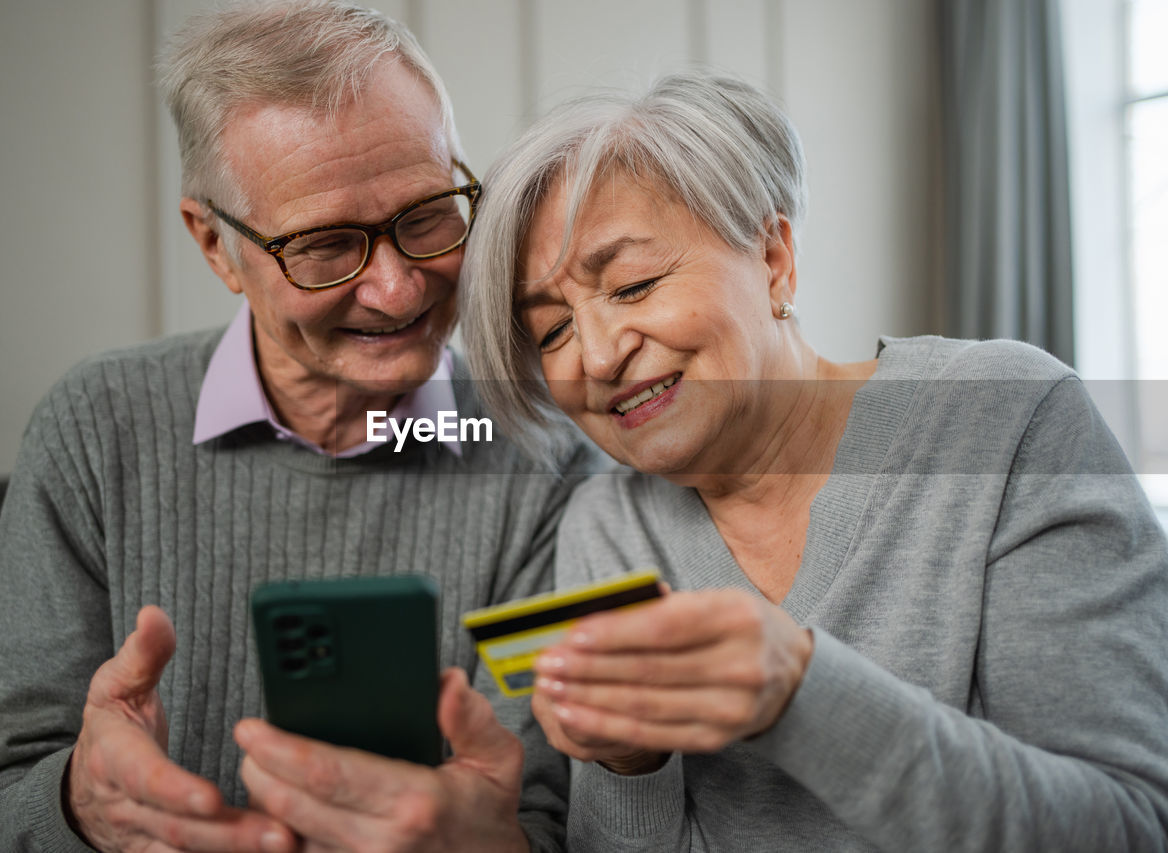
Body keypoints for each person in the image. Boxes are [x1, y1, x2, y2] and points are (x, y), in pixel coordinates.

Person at [0, 2, 596, 851]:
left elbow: (547, 819)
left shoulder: (543, 455)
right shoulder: (95, 428)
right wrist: (77, 805)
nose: (398, 289)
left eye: (428, 214)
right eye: (326, 244)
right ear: (216, 246)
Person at [459, 70, 1168, 850]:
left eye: (633, 284)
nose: (596, 354)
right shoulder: (606, 525)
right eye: (552, 331)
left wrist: (802, 692)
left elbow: (1128, 825)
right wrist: (630, 768)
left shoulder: (1003, 417)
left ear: (773, 258)